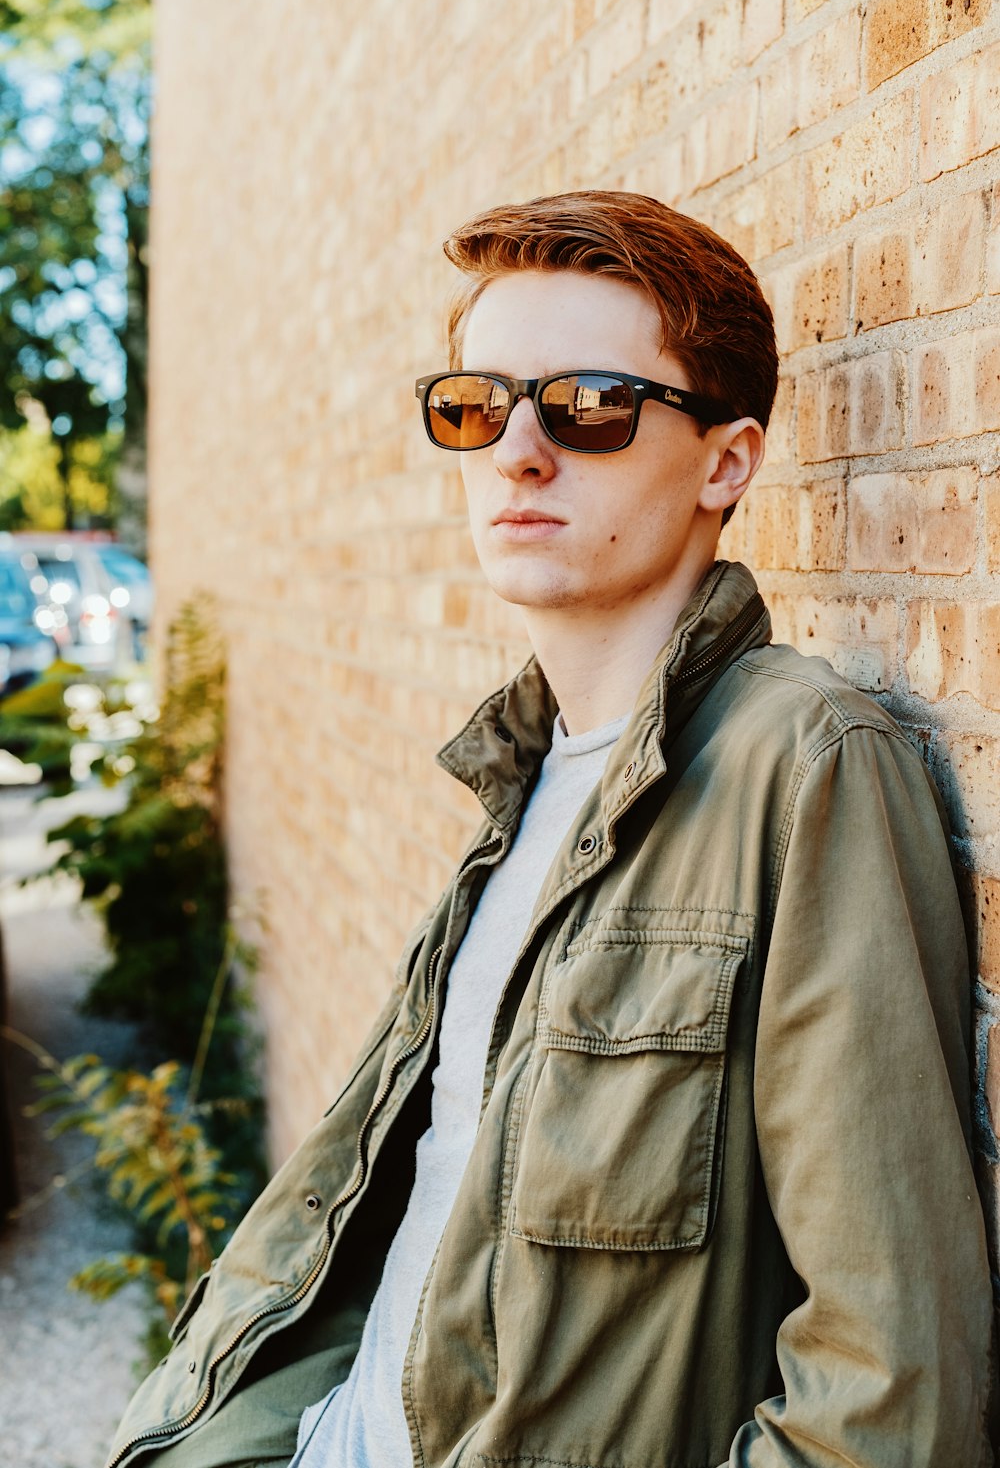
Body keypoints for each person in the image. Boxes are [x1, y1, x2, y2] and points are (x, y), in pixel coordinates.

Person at [105, 191, 996, 1468]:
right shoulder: (521, 775)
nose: (518, 451)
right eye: (476, 407)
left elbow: (886, 1384)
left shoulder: (798, 764)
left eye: (588, 405)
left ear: (727, 461)